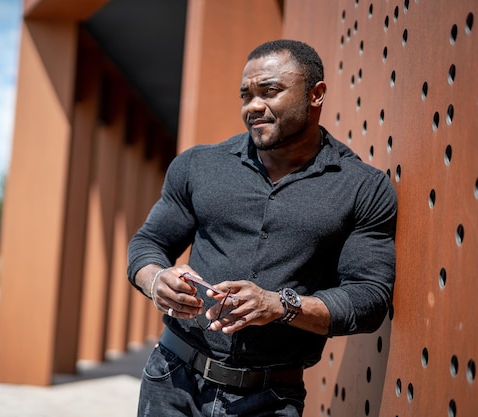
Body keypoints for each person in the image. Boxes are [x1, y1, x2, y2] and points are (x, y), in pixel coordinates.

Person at [127, 39, 397, 417]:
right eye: (246, 95)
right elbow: (147, 244)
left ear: (315, 94)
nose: (253, 106)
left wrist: (280, 305)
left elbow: (368, 298)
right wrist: (156, 281)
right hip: (172, 381)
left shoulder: (362, 188)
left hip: (271, 398)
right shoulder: (198, 165)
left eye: (269, 91)